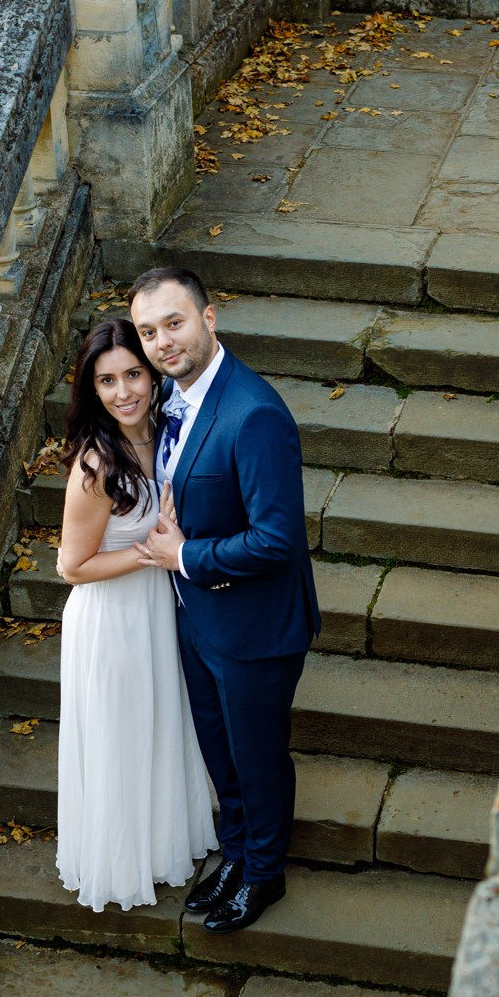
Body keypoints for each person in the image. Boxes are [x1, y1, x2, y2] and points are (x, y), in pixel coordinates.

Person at [129, 267, 319, 932]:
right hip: (199, 620)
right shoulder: (173, 401)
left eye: (173, 323)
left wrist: (183, 556)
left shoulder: (255, 412)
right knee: (221, 751)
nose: (161, 342)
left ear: (210, 319)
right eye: (148, 331)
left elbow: (277, 540)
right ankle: (237, 854)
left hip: (256, 628)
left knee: (257, 755)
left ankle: (265, 873)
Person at [52, 318, 219, 912]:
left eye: (132, 375)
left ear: (151, 375)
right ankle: (124, 862)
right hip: (111, 617)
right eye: (106, 381)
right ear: (91, 390)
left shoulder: (168, 431)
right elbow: (71, 567)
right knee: (122, 735)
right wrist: (148, 554)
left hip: (156, 604)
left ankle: (162, 838)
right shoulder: (96, 465)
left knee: (159, 720)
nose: (123, 392)